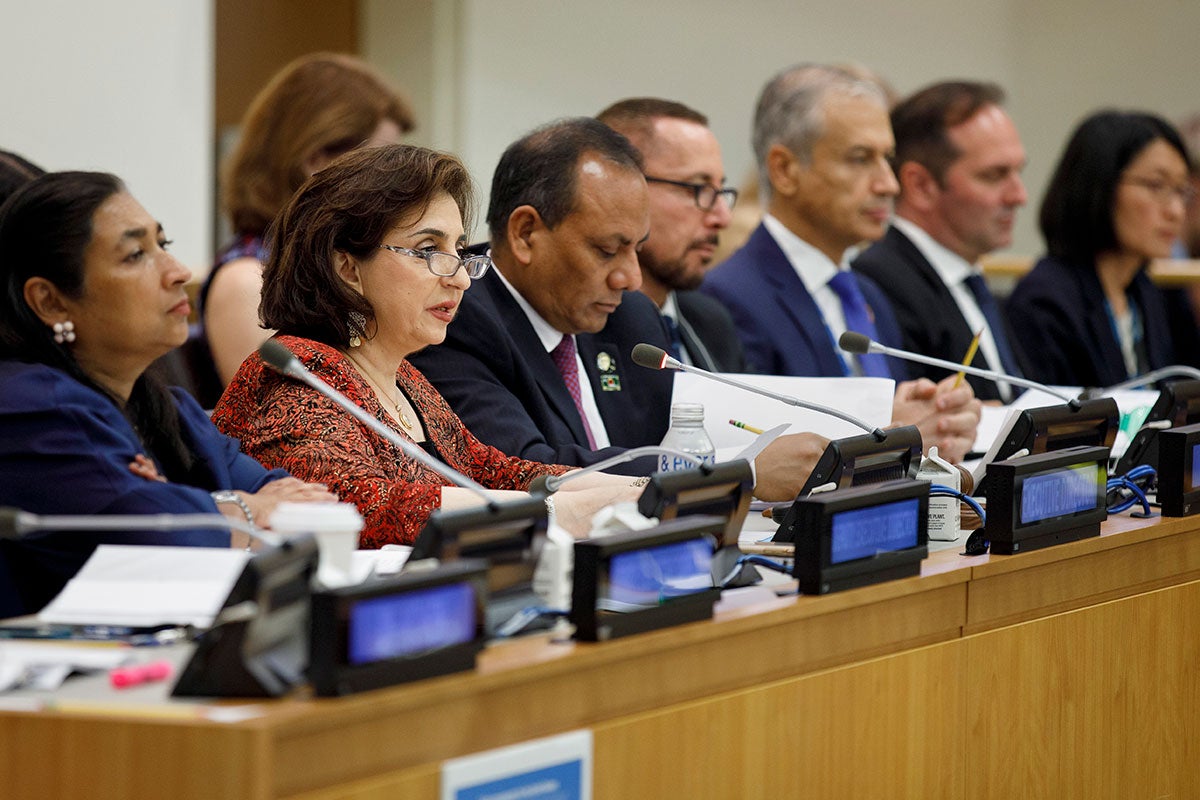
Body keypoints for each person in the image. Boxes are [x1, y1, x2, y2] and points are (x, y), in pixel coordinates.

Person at [214, 144, 639, 546]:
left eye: (457, 249)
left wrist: (639, 488)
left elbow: (494, 471)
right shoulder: (297, 380)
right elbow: (361, 509)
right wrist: (576, 510)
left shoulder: (403, 378)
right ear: (346, 266)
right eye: (428, 249)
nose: (460, 278)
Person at [409, 118, 830, 503]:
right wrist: (738, 473)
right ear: (525, 233)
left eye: (637, 248)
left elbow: (670, 445)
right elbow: (527, 472)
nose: (629, 278)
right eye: (607, 250)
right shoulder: (456, 317)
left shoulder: (633, 319)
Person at [0, 172, 334, 614]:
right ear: (51, 301)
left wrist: (197, 506)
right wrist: (234, 505)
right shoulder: (30, 411)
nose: (176, 272)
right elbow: (166, 539)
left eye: (165, 244)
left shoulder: (168, 408)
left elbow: (309, 509)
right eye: (136, 254)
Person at [702, 64, 981, 463]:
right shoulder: (729, 297)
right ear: (785, 169)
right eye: (860, 159)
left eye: (887, 158)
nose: (889, 184)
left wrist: (935, 420)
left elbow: (899, 433)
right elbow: (759, 450)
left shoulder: (868, 295)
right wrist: (892, 431)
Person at [199, 53, 416, 401]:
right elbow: (283, 417)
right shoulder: (246, 281)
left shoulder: (347, 262)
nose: (391, 183)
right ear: (316, 161)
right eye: (376, 162)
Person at [852, 81, 1027, 402]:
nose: (1019, 195)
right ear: (921, 185)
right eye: (994, 176)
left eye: (1018, 173)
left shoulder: (971, 278)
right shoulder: (881, 281)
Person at [1007, 110, 1200, 388]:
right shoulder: (1045, 301)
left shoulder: (1156, 291)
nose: (1176, 211)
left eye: (1182, 191)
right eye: (1156, 186)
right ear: (1099, 186)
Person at [597, 98, 747, 372]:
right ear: (622, 186)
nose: (723, 218)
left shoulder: (710, 322)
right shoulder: (580, 327)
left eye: (720, 191)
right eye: (697, 189)